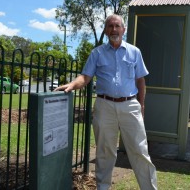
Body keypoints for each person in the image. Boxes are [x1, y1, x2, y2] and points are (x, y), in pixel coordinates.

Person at [55, 14, 157, 190]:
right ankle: (103, 187)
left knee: (139, 151)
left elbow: (141, 80)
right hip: (104, 106)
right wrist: (72, 84)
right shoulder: (97, 53)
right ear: (105, 30)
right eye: (110, 26)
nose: (114, 29)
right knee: (104, 152)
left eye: (117, 26)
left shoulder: (134, 52)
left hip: (130, 104)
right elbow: (85, 76)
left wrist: (141, 105)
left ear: (123, 30)